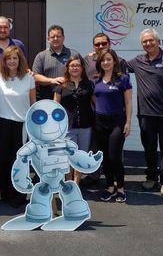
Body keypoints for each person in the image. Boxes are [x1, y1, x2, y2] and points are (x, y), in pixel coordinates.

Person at [126, 28, 163, 198]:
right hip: (146, 115)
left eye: (151, 40)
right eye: (144, 41)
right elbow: (117, 63)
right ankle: (151, 177)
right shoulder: (138, 61)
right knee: (149, 148)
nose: (148, 43)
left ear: (158, 41)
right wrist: (100, 52)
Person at [0, 15, 27, 190]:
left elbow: (24, 67)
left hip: (9, 104)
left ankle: (11, 176)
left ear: (10, 28)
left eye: (5, 27)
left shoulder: (18, 45)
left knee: (6, 145)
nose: (3, 30)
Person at [81, 32, 126, 187]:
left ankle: (116, 182)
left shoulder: (119, 62)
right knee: (96, 147)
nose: (100, 46)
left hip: (114, 114)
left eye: (103, 43)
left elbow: (124, 90)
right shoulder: (86, 60)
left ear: (109, 44)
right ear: (93, 46)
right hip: (93, 112)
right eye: (97, 44)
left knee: (114, 152)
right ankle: (94, 175)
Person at [0, 46, 36, 207]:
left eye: (15, 58)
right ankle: (5, 194)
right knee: (2, 160)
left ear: (20, 60)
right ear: (4, 61)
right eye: (8, 58)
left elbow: (33, 104)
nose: (12, 61)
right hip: (2, 123)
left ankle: (19, 195)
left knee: (19, 162)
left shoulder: (28, 78)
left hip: (21, 126)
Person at [94, 48, 132, 203]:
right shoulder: (96, 80)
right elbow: (95, 99)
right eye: (103, 60)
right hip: (100, 121)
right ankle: (110, 187)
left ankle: (121, 188)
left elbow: (128, 102)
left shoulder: (122, 79)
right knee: (105, 157)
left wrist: (128, 122)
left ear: (114, 61)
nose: (106, 62)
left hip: (117, 121)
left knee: (115, 156)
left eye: (109, 59)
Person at [54, 54, 94, 185]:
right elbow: (56, 108)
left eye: (77, 65)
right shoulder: (61, 85)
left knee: (81, 157)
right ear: (68, 68)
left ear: (82, 68)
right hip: (67, 128)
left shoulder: (89, 85)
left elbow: (96, 103)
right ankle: (67, 184)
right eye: (72, 65)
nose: (75, 68)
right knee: (67, 157)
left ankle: (75, 184)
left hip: (85, 126)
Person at [32, 25, 79, 100]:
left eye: (58, 36)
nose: (55, 39)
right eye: (52, 37)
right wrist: (51, 80)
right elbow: (35, 77)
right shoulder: (41, 56)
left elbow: (82, 73)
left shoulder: (74, 55)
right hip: (47, 98)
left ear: (63, 38)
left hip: (70, 99)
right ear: (48, 39)